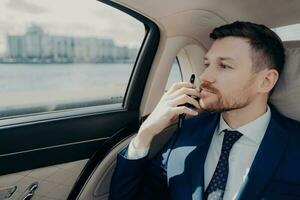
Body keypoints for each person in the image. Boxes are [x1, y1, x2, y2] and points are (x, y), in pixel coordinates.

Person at [109, 21, 300, 200]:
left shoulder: (294, 143)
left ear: (265, 81)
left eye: (224, 66)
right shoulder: (186, 132)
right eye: (207, 64)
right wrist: (145, 134)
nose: (204, 76)